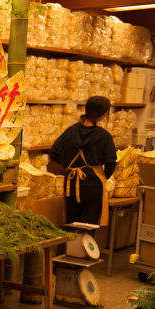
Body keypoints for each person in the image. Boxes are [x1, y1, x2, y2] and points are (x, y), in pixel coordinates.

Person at [49, 96, 117, 227]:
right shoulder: (104, 136)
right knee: (89, 226)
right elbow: (111, 163)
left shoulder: (70, 131)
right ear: (103, 114)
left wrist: (68, 168)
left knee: (71, 224)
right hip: (93, 186)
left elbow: (53, 153)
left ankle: (70, 241)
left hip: (71, 184)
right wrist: (100, 176)